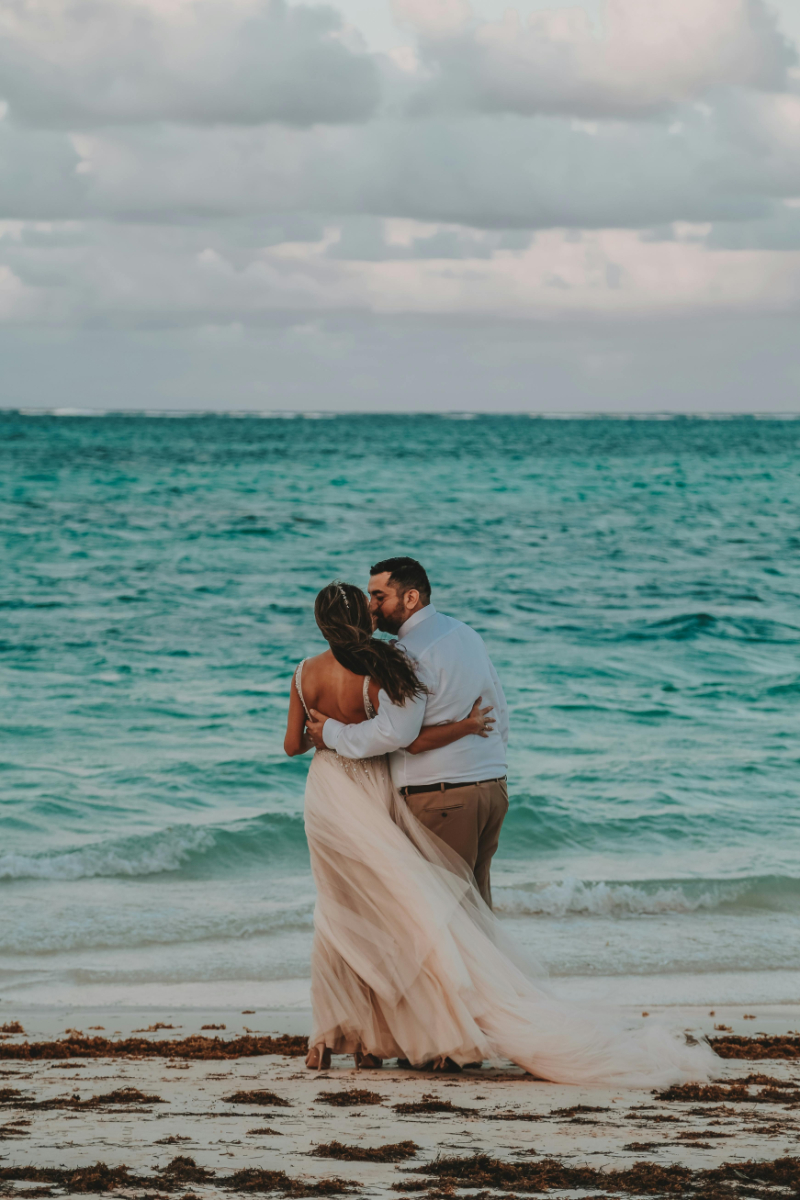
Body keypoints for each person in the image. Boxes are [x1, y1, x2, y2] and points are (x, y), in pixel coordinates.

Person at [284, 580, 715, 1087]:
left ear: (320, 624)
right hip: (372, 794)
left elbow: (293, 745)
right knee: (400, 915)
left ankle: (327, 1039)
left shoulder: (304, 672)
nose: (378, 608)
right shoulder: (383, 667)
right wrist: (467, 731)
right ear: (362, 617)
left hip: (326, 798)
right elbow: (403, 740)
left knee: (338, 914)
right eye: (370, 602)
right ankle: (396, 1040)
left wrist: (323, 734)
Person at [306, 557, 509, 908]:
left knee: (440, 919)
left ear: (411, 598)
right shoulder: (466, 634)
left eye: (378, 596)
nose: (370, 606)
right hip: (492, 789)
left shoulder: (407, 653)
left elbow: (394, 734)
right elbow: (499, 708)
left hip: (443, 798)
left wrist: (333, 734)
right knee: (476, 913)